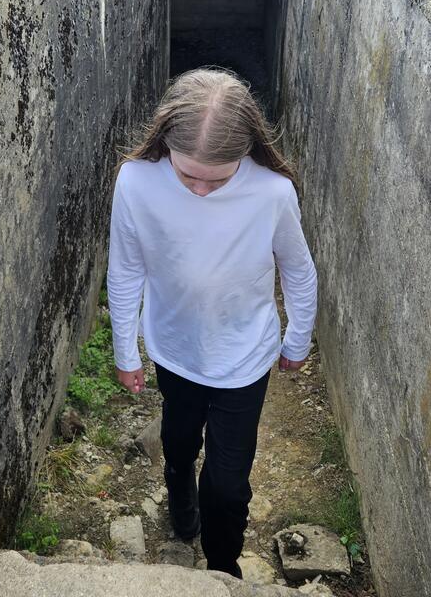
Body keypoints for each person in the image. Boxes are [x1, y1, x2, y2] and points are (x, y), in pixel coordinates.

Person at [106, 67, 318, 579]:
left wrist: (298, 338)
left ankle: (223, 567)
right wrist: (125, 352)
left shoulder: (272, 193)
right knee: (179, 441)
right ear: (164, 143)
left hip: (245, 358)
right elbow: (126, 267)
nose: (200, 190)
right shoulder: (135, 181)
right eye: (187, 175)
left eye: (217, 178)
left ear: (245, 154)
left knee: (227, 484)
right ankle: (177, 482)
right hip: (175, 349)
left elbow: (298, 270)